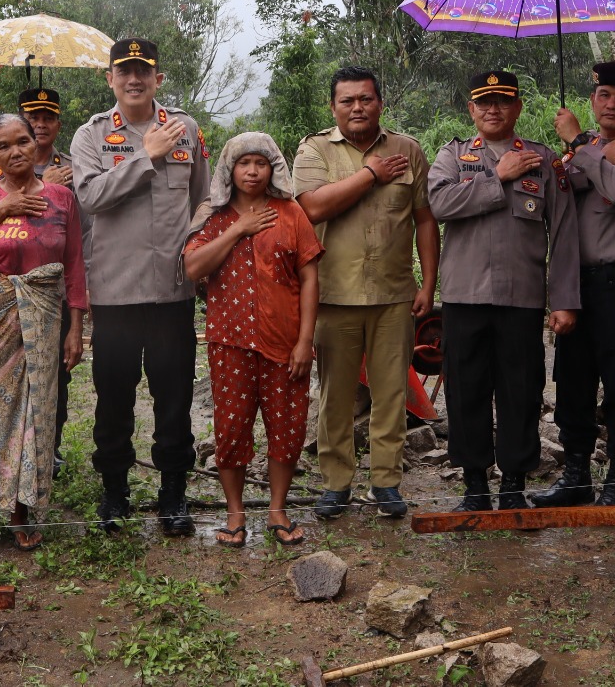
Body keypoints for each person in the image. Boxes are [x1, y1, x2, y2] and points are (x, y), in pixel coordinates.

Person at [70, 38, 209, 534]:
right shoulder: (90, 136)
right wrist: (145, 156)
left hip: (173, 292)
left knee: (174, 398)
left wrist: (199, 258)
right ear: (109, 78)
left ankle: (174, 493)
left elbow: (203, 201)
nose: (134, 79)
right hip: (115, 294)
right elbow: (89, 197)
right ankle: (115, 491)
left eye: (143, 71)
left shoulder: (185, 129)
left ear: (158, 78)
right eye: (124, 71)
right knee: (113, 398)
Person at [428, 71, 580, 511]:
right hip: (464, 297)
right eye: (484, 102)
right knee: (466, 390)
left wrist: (565, 300)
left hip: (522, 298)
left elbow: (565, 233)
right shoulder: (453, 156)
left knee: (522, 391)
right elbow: (439, 204)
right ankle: (475, 487)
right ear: (471, 110)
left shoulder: (543, 160)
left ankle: (513, 486)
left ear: (518, 108)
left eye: (503, 101)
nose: (493, 109)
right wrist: (497, 175)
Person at [293, 66, 438, 520]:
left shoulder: (408, 150)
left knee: (391, 394)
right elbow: (312, 206)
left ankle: (386, 483)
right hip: (332, 298)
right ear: (333, 106)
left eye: (366, 99)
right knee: (334, 395)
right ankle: (336, 484)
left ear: (380, 102)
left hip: (394, 296)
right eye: (348, 101)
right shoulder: (314, 149)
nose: (357, 108)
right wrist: (370, 174)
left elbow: (425, 220)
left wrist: (429, 283)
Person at [0, 115, 87, 557]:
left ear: (37, 143)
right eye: (4, 146)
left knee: (34, 411)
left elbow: (76, 265)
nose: (16, 151)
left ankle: (21, 512)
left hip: (44, 317)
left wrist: (76, 326)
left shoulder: (62, 198)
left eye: (23, 141)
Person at [184, 133, 323, 547]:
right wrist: (238, 230)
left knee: (287, 427)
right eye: (243, 163)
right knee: (231, 429)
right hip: (230, 342)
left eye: (260, 163)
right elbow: (193, 268)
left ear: (273, 168)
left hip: (284, 342)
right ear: (229, 168)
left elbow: (310, 278)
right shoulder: (212, 215)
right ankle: (235, 513)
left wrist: (305, 342)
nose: (251, 171)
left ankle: (278, 509)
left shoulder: (292, 213)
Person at [536, 61, 615, 509]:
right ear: (592, 101)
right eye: (604, 95)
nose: (612, 104)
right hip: (575, 284)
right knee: (572, 383)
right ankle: (576, 476)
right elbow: (561, 191)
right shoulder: (577, 154)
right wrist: (588, 152)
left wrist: (580, 143)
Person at [6, 86, 86, 480]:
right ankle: (8, 447)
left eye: (47, 117)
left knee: (55, 374)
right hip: (8, 286)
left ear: (57, 123)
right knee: (10, 372)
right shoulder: (0, 165)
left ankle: (47, 448)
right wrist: (41, 181)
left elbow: (79, 231)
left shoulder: (73, 166)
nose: (40, 124)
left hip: (53, 286)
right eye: (32, 117)